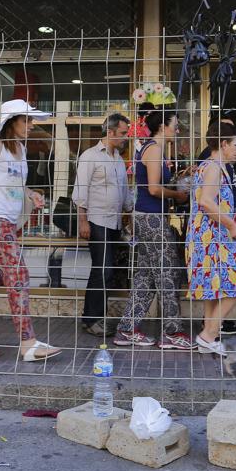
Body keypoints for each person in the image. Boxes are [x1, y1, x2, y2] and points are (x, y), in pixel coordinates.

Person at [0, 99, 62, 362]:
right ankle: (28, 343)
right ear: (10, 122)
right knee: (19, 274)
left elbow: (14, 183)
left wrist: (31, 194)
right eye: (26, 120)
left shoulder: (21, 148)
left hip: (7, 221)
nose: (31, 125)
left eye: (31, 120)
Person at [115, 108, 193, 350]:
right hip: (151, 219)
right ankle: (172, 332)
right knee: (168, 273)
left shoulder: (152, 148)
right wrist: (178, 195)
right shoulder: (155, 149)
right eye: (175, 126)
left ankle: (127, 329)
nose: (177, 131)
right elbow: (154, 189)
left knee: (146, 276)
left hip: (147, 217)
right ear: (163, 126)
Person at [187, 120, 236, 355]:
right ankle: (208, 334)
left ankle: (209, 337)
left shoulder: (213, 166)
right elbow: (206, 202)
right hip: (211, 238)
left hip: (210, 237)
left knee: (213, 289)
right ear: (223, 144)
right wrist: (232, 225)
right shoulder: (213, 167)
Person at [72, 112, 131, 338]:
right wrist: (83, 221)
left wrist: (130, 213)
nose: (125, 137)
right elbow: (80, 191)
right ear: (110, 132)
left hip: (114, 222)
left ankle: (95, 317)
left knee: (105, 271)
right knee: (103, 270)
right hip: (97, 221)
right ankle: (92, 320)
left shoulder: (118, 159)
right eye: (123, 133)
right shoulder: (90, 156)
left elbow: (124, 191)